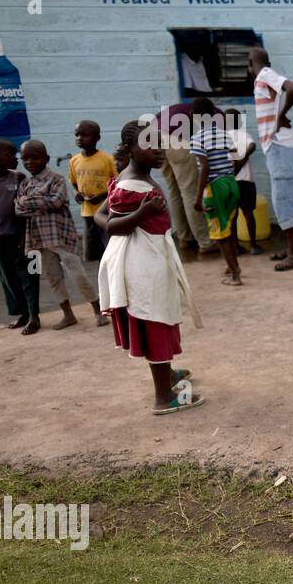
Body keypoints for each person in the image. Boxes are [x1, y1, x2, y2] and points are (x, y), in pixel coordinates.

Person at [95, 119, 205, 415]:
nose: (158, 150)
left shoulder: (129, 177)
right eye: (149, 144)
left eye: (160, 144)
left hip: (150, 258)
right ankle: (163, 397)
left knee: (161, 317)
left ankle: (166, 376)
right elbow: (112, 225)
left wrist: (137, 217)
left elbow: (99, 213)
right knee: (155, 321)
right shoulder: (131, 185)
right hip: (143, 264)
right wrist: (141, 214)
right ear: (130, 149)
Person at [14, 140, 105, 330]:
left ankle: (97, 310)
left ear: (46, 159)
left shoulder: (57, 179)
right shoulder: (25, 183)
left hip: (61, 237)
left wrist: (27, 201)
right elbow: (18, 210)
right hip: (39, 239)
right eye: (25, 159)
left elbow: (54, 203)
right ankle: (68, 314)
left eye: (35, 157)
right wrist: (36, 202)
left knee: (77, 275)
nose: (30, 162)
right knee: (53, 278)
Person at [248, 47, 293, 272]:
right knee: (285, 197)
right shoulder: (265, 78)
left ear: (251, 64)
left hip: (279, 144)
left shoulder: (264, 74)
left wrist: (280, 116)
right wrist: (280, 114)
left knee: (283, 199)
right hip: (279, 144)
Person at [0, 139, 40, 334]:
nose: (15, 158)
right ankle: (22, 313)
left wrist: (23, 236)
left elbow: (26, 207)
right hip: (0, 237)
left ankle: (34, 316)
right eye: (9, 154)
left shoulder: (18, 177)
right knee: (8, 277)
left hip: (25, 235)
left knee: (30, 274)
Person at [189, 99, 242, 286]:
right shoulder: (225, 135)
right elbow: (236, 159)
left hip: (214, 188)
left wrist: (197, 197)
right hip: (230, 183)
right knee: (227, 227)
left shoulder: (197, 138)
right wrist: (230, 176)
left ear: (195, 117)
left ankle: (235, 274)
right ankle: (232, 266)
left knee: (220, 233)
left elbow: (204, 168)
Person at [153, 102, 214, 254]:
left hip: (155, 140)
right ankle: (206, 242)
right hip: (175, 140)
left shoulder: (178, 108)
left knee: (174, 191)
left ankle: (184, 238)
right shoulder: (214, 113)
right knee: (190, 191)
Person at [68, 120, 116, 262]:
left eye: (85, 135)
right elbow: (73, 182)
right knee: (92, 253)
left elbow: (117, 184)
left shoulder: (107, 159)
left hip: (107, 212)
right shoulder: (74, 161)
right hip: (88, 213)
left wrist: (102, 195)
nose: (79, 138)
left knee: (112, 250)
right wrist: (76, 193)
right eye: (77, 135)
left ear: (97, 138)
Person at [225, 108, 261, 255]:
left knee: (232, 217)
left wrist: (237, 163)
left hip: (230, 182)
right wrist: (243, 158)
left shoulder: (222, 137)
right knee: (248, 213)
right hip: (246, 181)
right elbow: (252, 146)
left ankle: (236, 247)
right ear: (239, 122)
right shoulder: (244, 134)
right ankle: (253, 245)